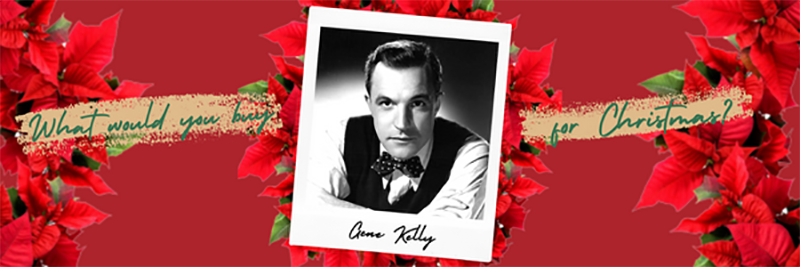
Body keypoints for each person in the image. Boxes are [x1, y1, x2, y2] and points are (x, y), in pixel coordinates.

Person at [308, 40, 489, 219]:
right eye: (386, 103)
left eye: (417, 104)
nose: (402, 124)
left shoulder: (470, 152)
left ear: (436, 105)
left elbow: (443, 231)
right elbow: (307, 205)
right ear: (369, 104)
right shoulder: (340, 137)